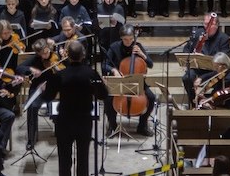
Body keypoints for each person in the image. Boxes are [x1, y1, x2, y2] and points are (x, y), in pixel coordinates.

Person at [41, 40, 107, 176]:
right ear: (83, 55)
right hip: (84, 120)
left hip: (64, 120)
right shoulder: (91, 74)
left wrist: (45, 89)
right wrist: (101, 85)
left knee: (64, 158)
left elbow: (47, 97)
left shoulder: (60, 75)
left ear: (67, 55)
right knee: (83, 158)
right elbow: (103, 95)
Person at [103, 25, 155, 136]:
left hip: (137, 81)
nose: (129, 41)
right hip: (120, 81)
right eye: (126, 39)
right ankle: (112, 125)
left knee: (151, 97)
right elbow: (104, 65)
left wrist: (142, 54)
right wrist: (114, 70)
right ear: (121, 38)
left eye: (131, 39)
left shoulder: (138, 46)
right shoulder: (114, 47)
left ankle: (142, 126)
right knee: (107, 98)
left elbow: (150, 64)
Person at [180, 13, 230, 101]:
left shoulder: (224, 38)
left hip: (216, 71)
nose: (206, 27)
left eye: (209, 24)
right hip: (199, 68)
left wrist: (202, 78)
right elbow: (186, 49)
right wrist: (192, 56)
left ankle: (212, 101)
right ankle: (194, 101)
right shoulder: (198, 34)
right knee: (187, 78)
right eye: (205, 24)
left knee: (229, 79)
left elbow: (224, 64)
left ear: (216, 25)